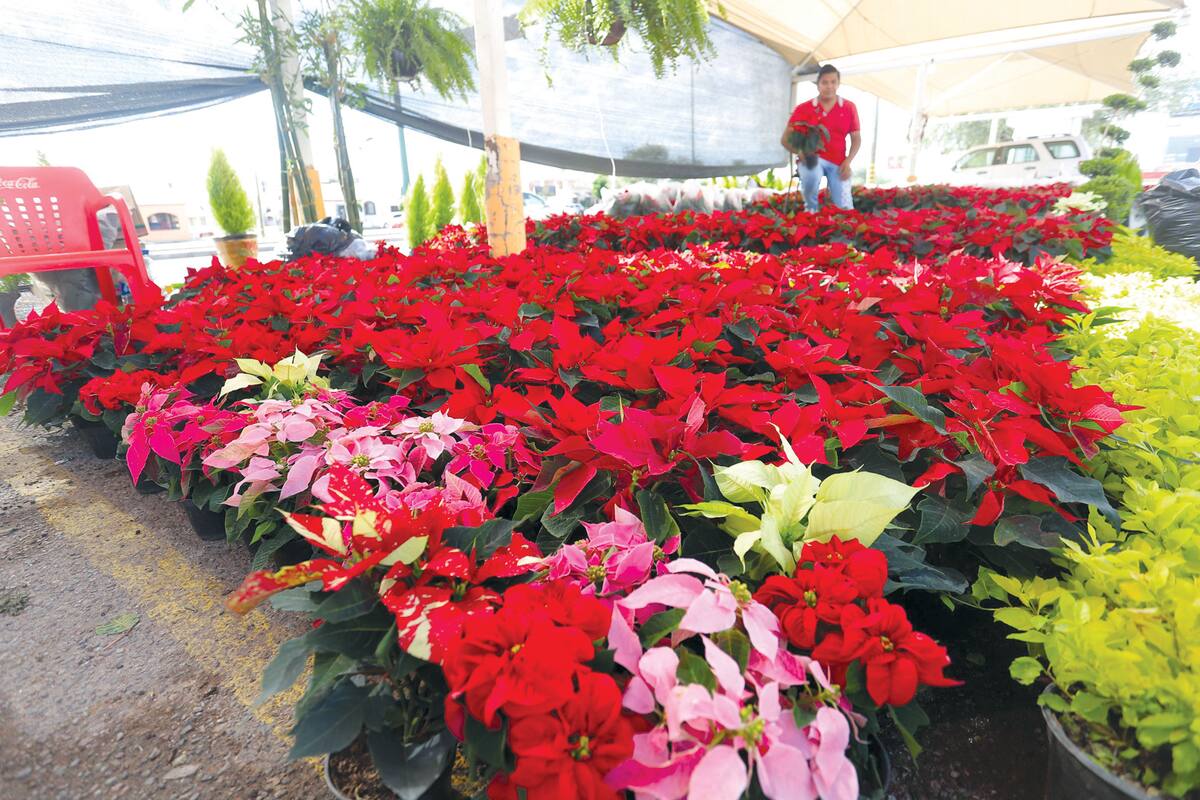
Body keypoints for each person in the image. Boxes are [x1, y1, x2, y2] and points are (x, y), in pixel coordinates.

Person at [781, 64, 861, 212]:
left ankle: (844, 228)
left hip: (839, 161)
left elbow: (856, 138)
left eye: (833, 82)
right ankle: (811, 212)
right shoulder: (803, 108)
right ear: (818, 85)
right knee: (811, 172)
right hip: (812, 158)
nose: (829, 86)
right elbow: (784, 139)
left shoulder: (849, 107)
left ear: (838, 84)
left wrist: (848, 161)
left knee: (844, 207)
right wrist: (800, 152)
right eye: (825, 82)